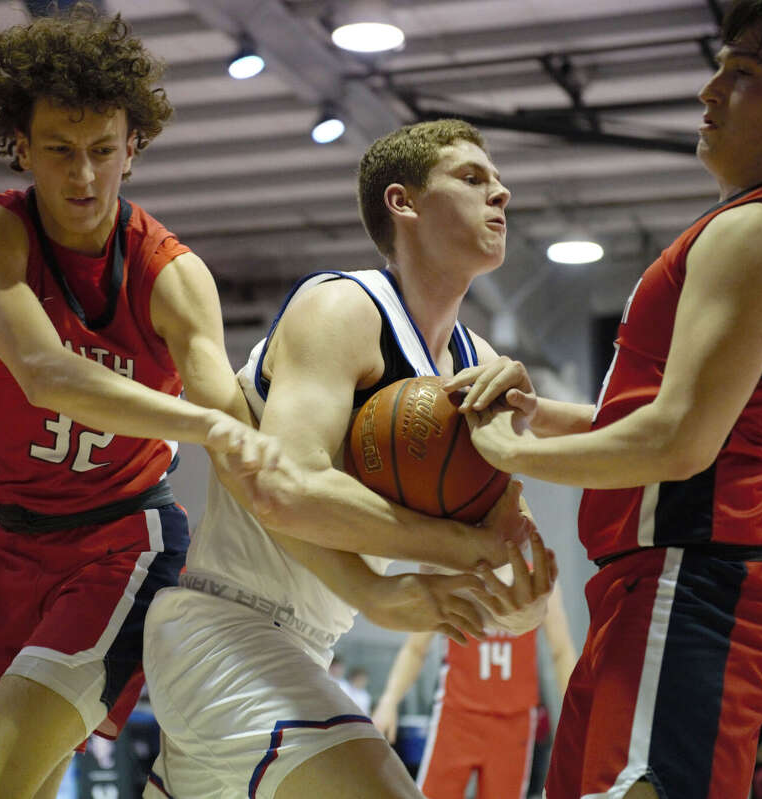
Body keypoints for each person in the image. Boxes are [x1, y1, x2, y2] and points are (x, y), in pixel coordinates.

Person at [141, 118, 557, 799]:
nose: (502, 193)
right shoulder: (341, 306)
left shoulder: (477, 365)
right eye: (474, 178)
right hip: (227, 624)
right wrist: (445, 548)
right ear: (404, 203)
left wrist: (519, 601)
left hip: (307, 646)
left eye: (500, 180)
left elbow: (511, 556)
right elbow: (287, 487)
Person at [463, 1, 762, 797]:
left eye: (745, 73)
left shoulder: (760, 231)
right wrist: (541, 414)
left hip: (693, 580)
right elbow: (691, 428)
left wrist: (517, 454)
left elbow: (681, 442)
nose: (710, 90)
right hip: (665, 583)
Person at [0, 7, 282, 799]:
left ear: (134, 145)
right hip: (16, 549)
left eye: (102, 151)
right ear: (21, 146)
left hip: (125, 548)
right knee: (3, 782)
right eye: (59, 150)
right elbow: (40, 371)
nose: (84, 176)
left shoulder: (172, 273)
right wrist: (204, 421)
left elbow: (232, 418)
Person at [371, 586, 577, 798]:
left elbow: (561, 651)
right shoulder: (453, 574)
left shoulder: (538, 580)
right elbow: (415, 647)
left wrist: (577, 716)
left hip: (514, 722)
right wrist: (389, 700)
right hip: (457, 717)